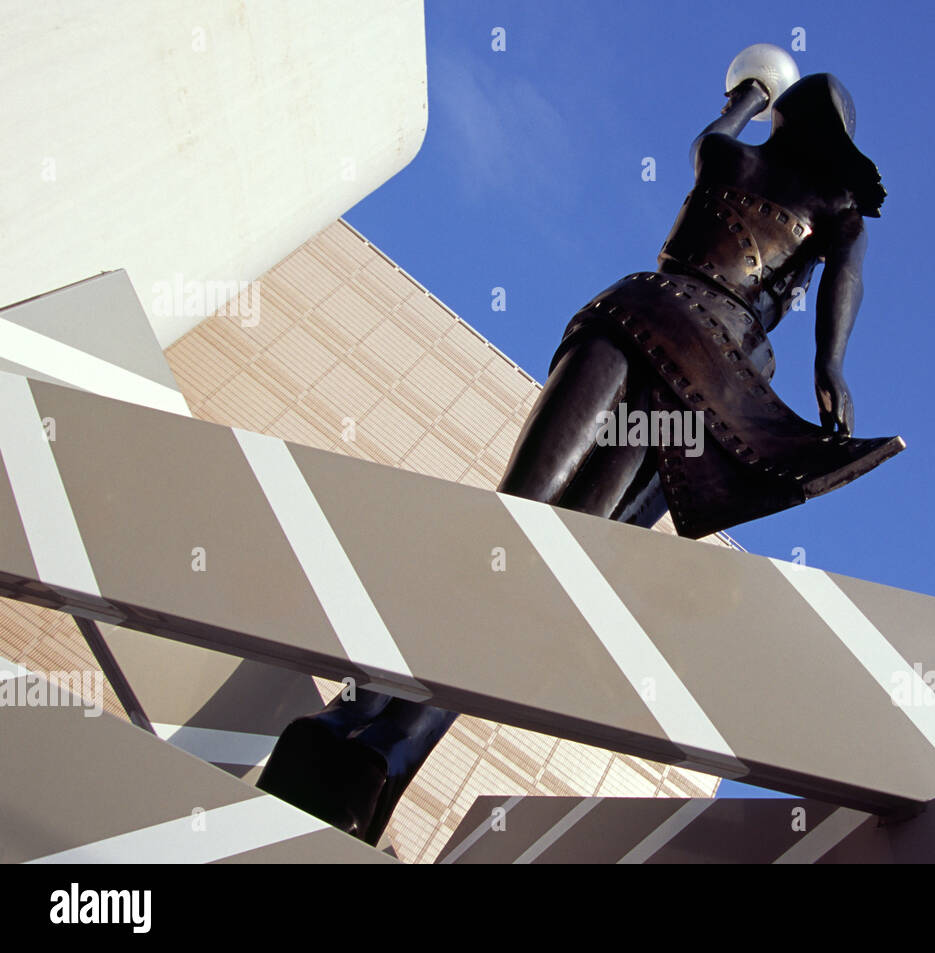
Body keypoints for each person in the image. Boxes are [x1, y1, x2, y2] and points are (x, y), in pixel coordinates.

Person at [257, 72, 901, 845]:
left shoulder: (813, 199)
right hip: (658, 325)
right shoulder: (764, 176)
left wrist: (746, 97)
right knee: (517, 530)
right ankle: (366, 722)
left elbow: (829, 265)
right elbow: (738, 171)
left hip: (694, 362)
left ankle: (384, 742)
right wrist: (830, 364)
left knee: (541, 554)